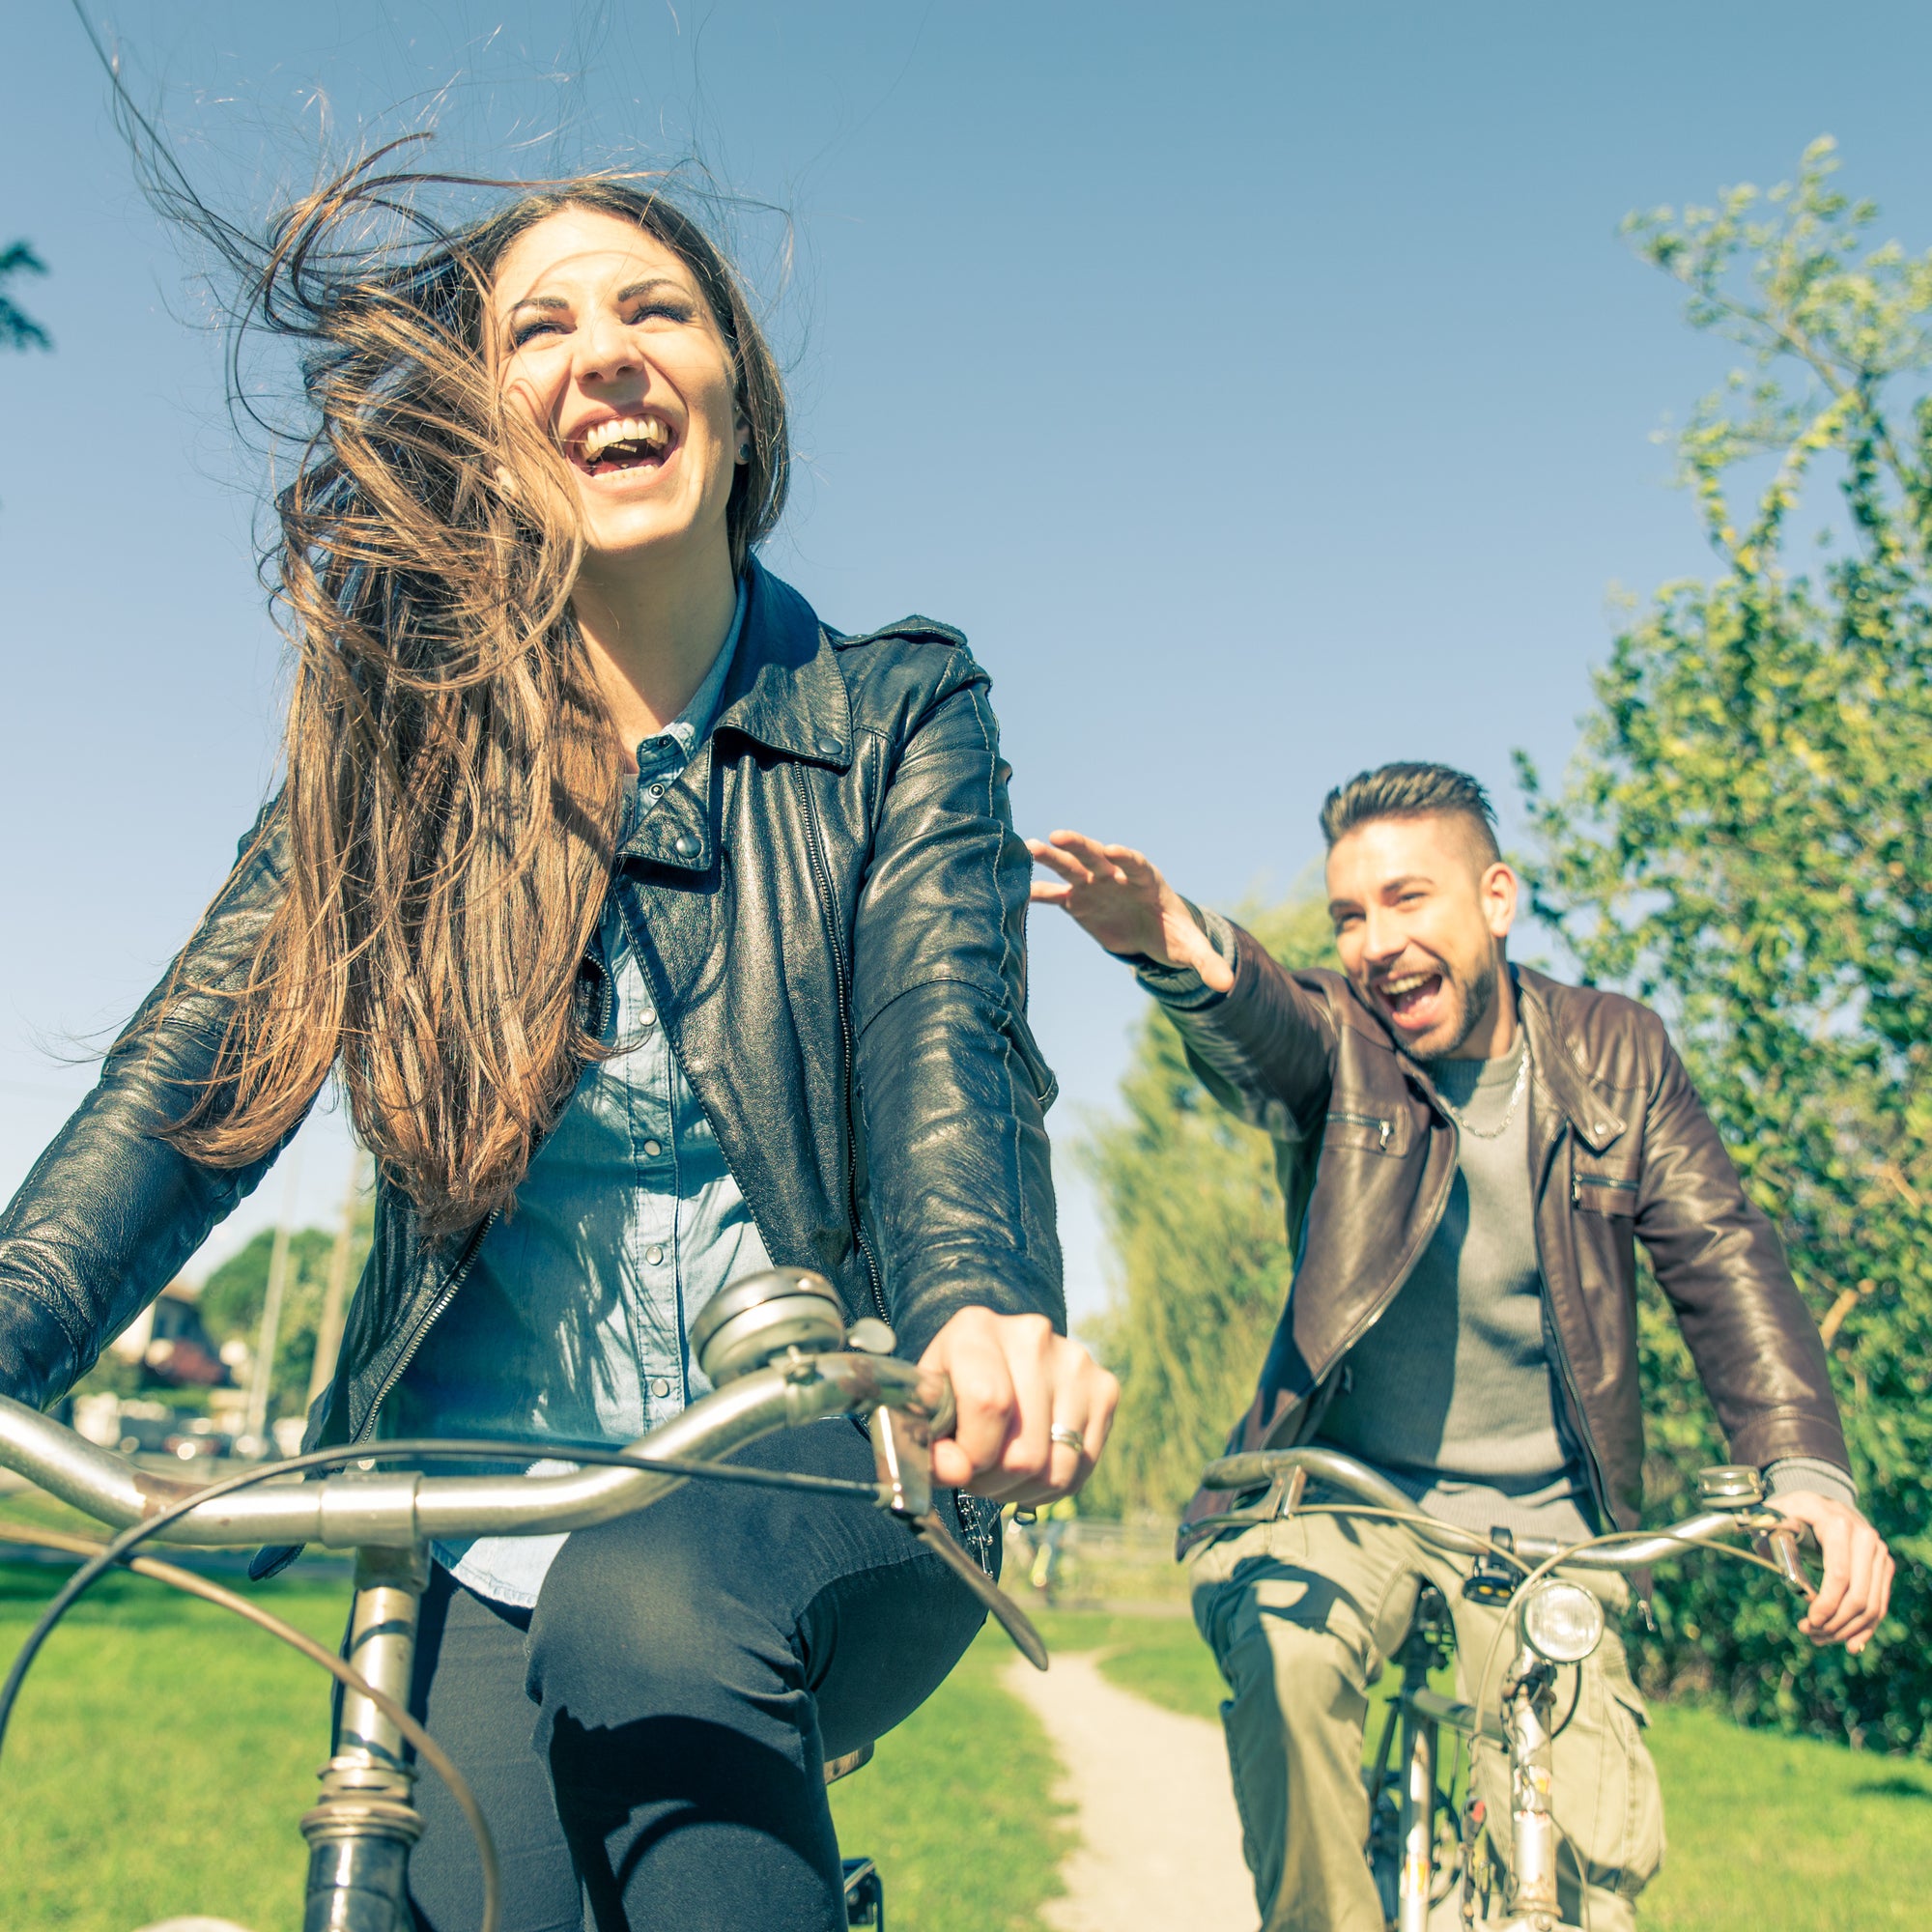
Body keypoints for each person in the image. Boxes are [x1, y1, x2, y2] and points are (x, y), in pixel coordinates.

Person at [0, 162, 1116, 1932]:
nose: (607, 356)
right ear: (487, 430)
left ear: (741, 402)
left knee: (645, 1611)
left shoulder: (894, 712)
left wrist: (979, 1306)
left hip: (823, 1451)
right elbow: (192, 1081)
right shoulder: (399, 743)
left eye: (656, 312)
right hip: (470, 1499)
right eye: (544, 329)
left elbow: (943, 1051)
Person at [1031, 761, 1890, 1932]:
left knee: (1584, 1884)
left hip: (1550, 1518)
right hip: (1349, 1494)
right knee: (1286, 1653)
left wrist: (1805, 1476)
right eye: (1347, 914)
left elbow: (1723, 1258)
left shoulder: (1617, 1053)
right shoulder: (1346, 1043)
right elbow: (1268, 1024)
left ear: (1493, 898)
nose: (1374, 942)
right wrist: (1183, 952)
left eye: (1406, 899)